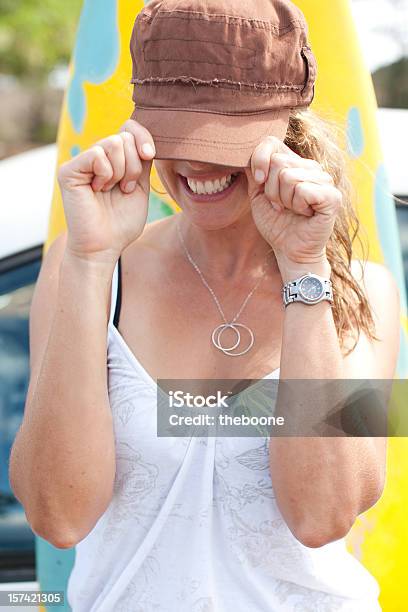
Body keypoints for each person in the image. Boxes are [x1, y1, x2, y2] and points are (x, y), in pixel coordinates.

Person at [9, 0, 400, 610]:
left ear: (288, 128)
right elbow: (58, 516)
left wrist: (303, 268)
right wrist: (89, 260)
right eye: (173, 131)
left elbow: (322, 516)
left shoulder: (359, 288)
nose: (195, 161)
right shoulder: (86, 264)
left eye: (225, 135)